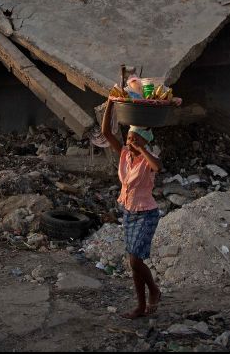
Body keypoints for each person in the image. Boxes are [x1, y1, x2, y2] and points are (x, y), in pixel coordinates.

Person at [101, 98, 162, 319]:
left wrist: (142, 149)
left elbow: (158, 166)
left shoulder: (147, 160)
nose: (129, 141)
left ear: (143, 141)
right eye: (128, 137)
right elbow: (106, 132)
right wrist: (110, 103)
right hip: (128, 212)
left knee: (135, 260)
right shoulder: (125, 155)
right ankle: (140, 306)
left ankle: (154, 290)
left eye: (133, 138)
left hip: (147, 213)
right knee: (134, 263)